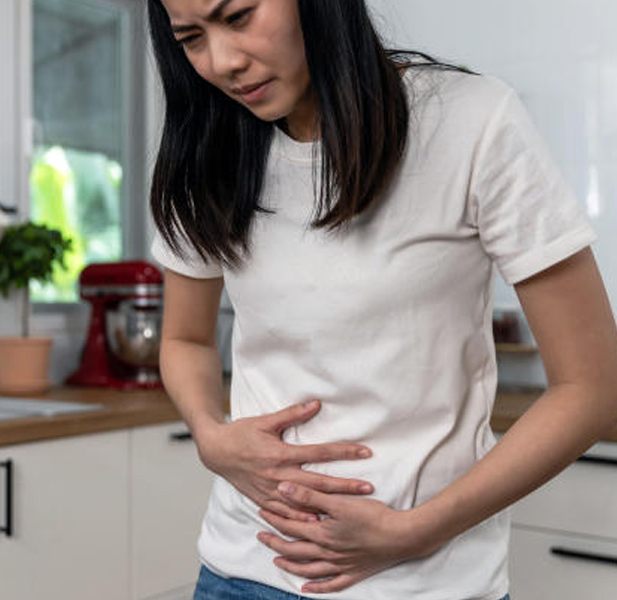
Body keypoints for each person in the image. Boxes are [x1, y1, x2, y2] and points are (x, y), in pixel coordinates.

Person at [146, 1, 617, 599]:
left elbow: (592, 390)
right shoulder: (209, 148)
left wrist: (416, 532)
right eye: (191, 38)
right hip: (241, 572)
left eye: (238, 16)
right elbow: (184, 340)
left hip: (429, 583)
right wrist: (210, 435)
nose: (223, 62)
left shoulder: (470, 121)